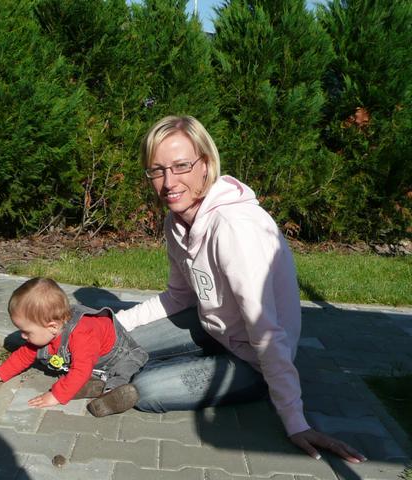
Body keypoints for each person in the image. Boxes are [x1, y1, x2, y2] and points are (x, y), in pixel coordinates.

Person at [114, 114, 366, 463]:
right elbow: (178, 297)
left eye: (181, 166)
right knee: (115, 340)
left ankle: (248, 384)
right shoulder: (176, 221)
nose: (169, 182)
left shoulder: (234, 228)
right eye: (157, 171)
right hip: (213, 328)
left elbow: (265, 330)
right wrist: (114, 323)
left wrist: (295, 421)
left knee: (146, 390)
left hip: (255, 359)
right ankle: (129, 361)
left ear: (205, 164)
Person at [0, 277, 148, 417]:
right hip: (93, 363)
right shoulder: (47, 332)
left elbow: (80, 369)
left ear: (52, 326)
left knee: (121, 373)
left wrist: (56, 395)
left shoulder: (82, 334)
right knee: (79, 371)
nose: (22, 336)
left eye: (26, 332)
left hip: (121, 356)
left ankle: (110, 395)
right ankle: (90, 384)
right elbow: (22, 356)